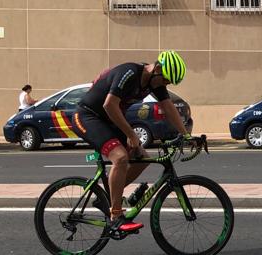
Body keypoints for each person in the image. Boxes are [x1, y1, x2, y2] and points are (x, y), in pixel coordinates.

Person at [73, 51, 190, 235]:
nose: (165, 84)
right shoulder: (129, 73)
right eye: (165, 80)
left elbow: (168, 107)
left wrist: (187, 136)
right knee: (120, 157)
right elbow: (109, 105)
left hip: (109, 120)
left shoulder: (155, 81)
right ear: (157, 69)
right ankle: (116, 216)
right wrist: (131, 134)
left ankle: (108, 197)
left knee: (142, 158)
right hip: (87, 116)